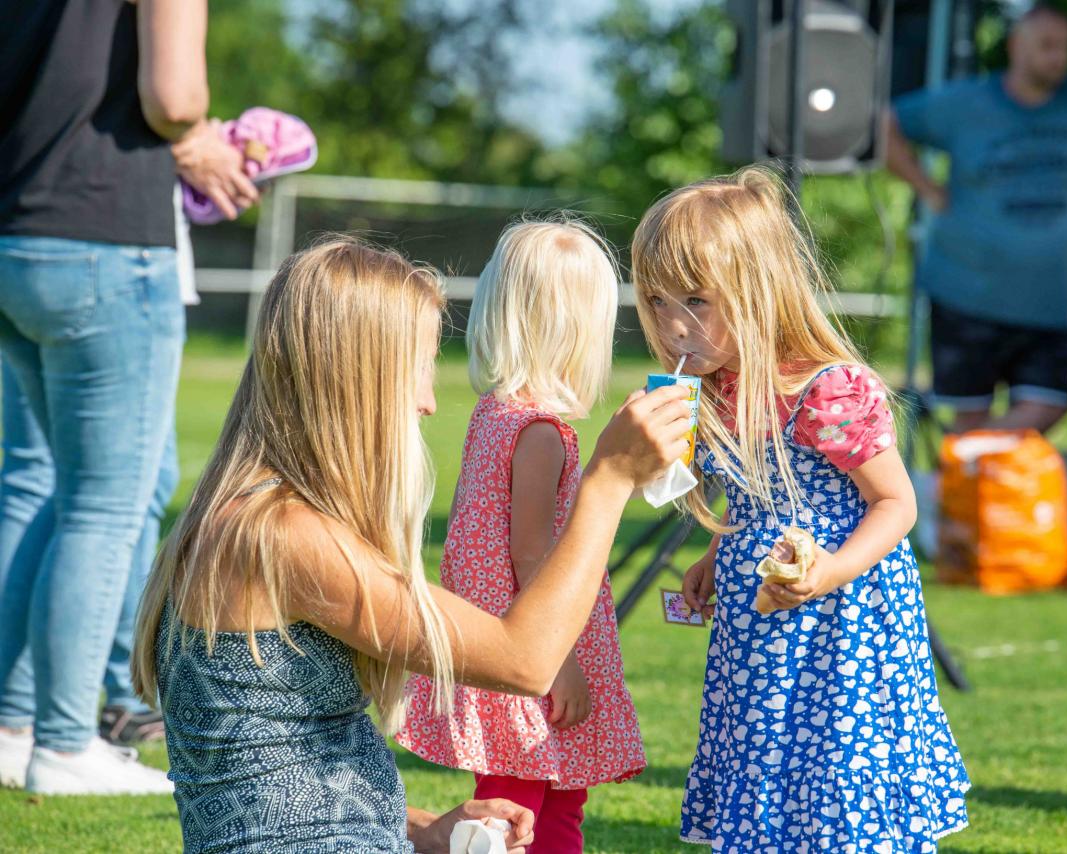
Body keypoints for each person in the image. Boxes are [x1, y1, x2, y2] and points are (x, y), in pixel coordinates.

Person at [129, 238, 691, 852]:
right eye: (420, 367)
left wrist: (427, 828)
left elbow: (273, 770)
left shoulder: (259, 516)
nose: (428, 402)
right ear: (358, 379)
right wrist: (609, 480)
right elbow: (525, 662)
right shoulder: (281, 535)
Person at [632, 166, 970, 851]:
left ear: (757, 288)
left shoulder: (825, 390)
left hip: (842, 623)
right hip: (761, 619)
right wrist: (716, 553)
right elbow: (758, 495)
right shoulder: (719, 386)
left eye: (695, 300)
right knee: (771, 749)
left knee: (836, 759)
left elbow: (895, 503)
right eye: (658, 301)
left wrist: (831, 571)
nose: (673, 324)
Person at [0, 0, 258, 794]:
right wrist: (200, 137)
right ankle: (64, 745)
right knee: (103, 507)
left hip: (15, 229)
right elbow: (173, 96)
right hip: (103, 237)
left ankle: (10, 727)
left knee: (47, 491)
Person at [397, 220, 647, 853]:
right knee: (515, 812)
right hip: (530, 649)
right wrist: (558, 666)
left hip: (497, 639)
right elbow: (530, 553)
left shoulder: (496, 412)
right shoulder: (539, 433)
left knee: (557, 800)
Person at [885, 1, 1067, 434]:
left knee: (1050, 403)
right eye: (1047, 46)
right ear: (1016, 45)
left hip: (1046, 300)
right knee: (969, 414)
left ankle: (965, 457)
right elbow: (884, 123)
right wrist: (927, 188)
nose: (1059, 57)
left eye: (1066, 47)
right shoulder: (966, 102)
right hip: (966, 292)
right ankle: (971, 466)